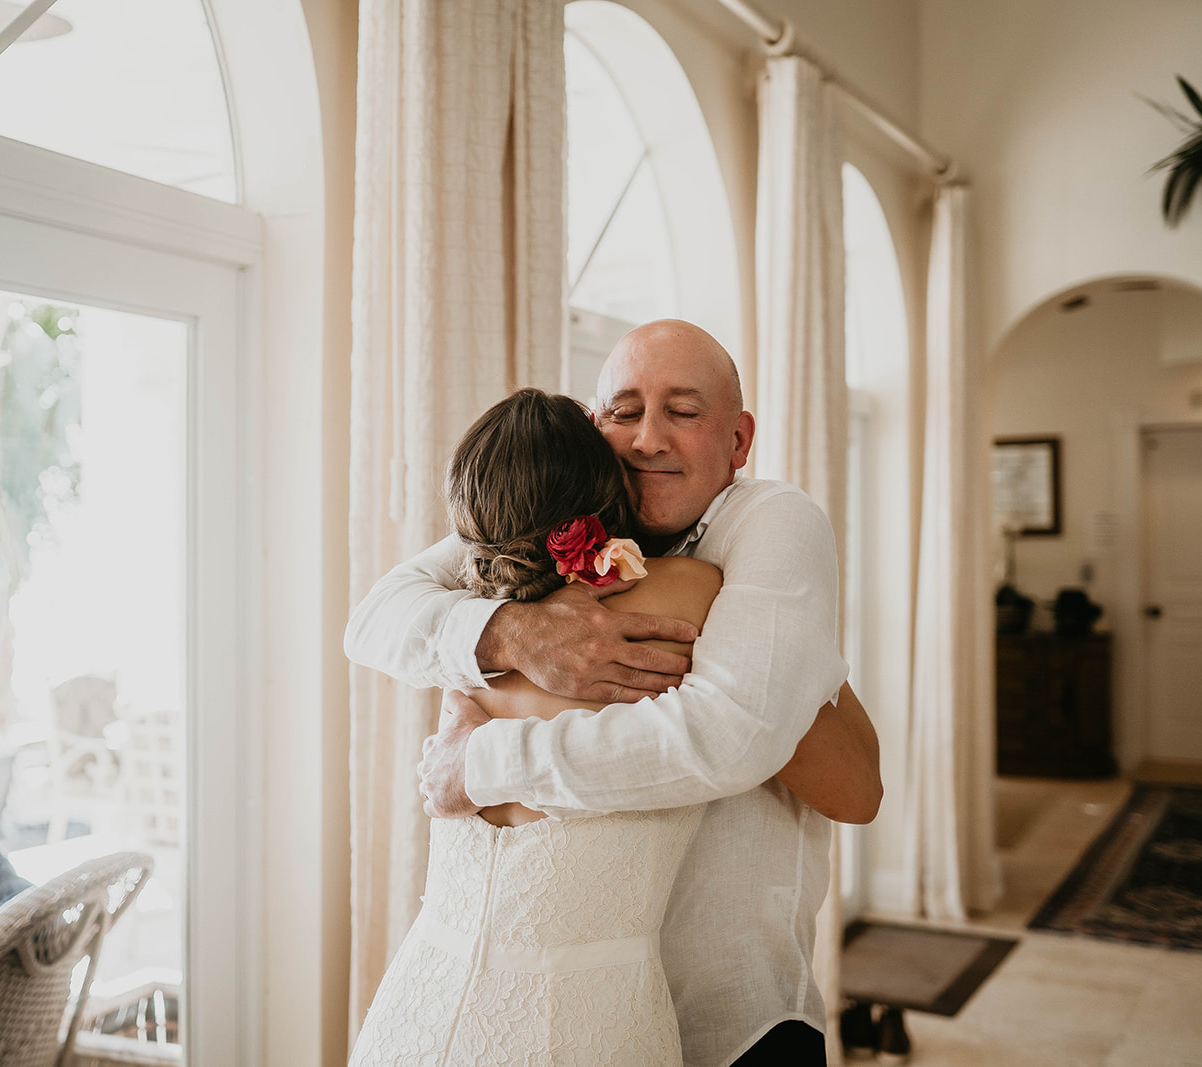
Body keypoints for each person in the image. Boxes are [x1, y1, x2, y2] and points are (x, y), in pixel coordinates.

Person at [345, 320, 881, 1067]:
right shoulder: (550, 531)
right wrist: (514, 633)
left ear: (738, 438)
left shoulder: (769, 523)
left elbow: (738, 741)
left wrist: (483, 761)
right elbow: (374, 618)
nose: (647, 438)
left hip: (734, 1008)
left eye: (684, 411)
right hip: (566, 1006)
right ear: (595, 428)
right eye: (623, 411)